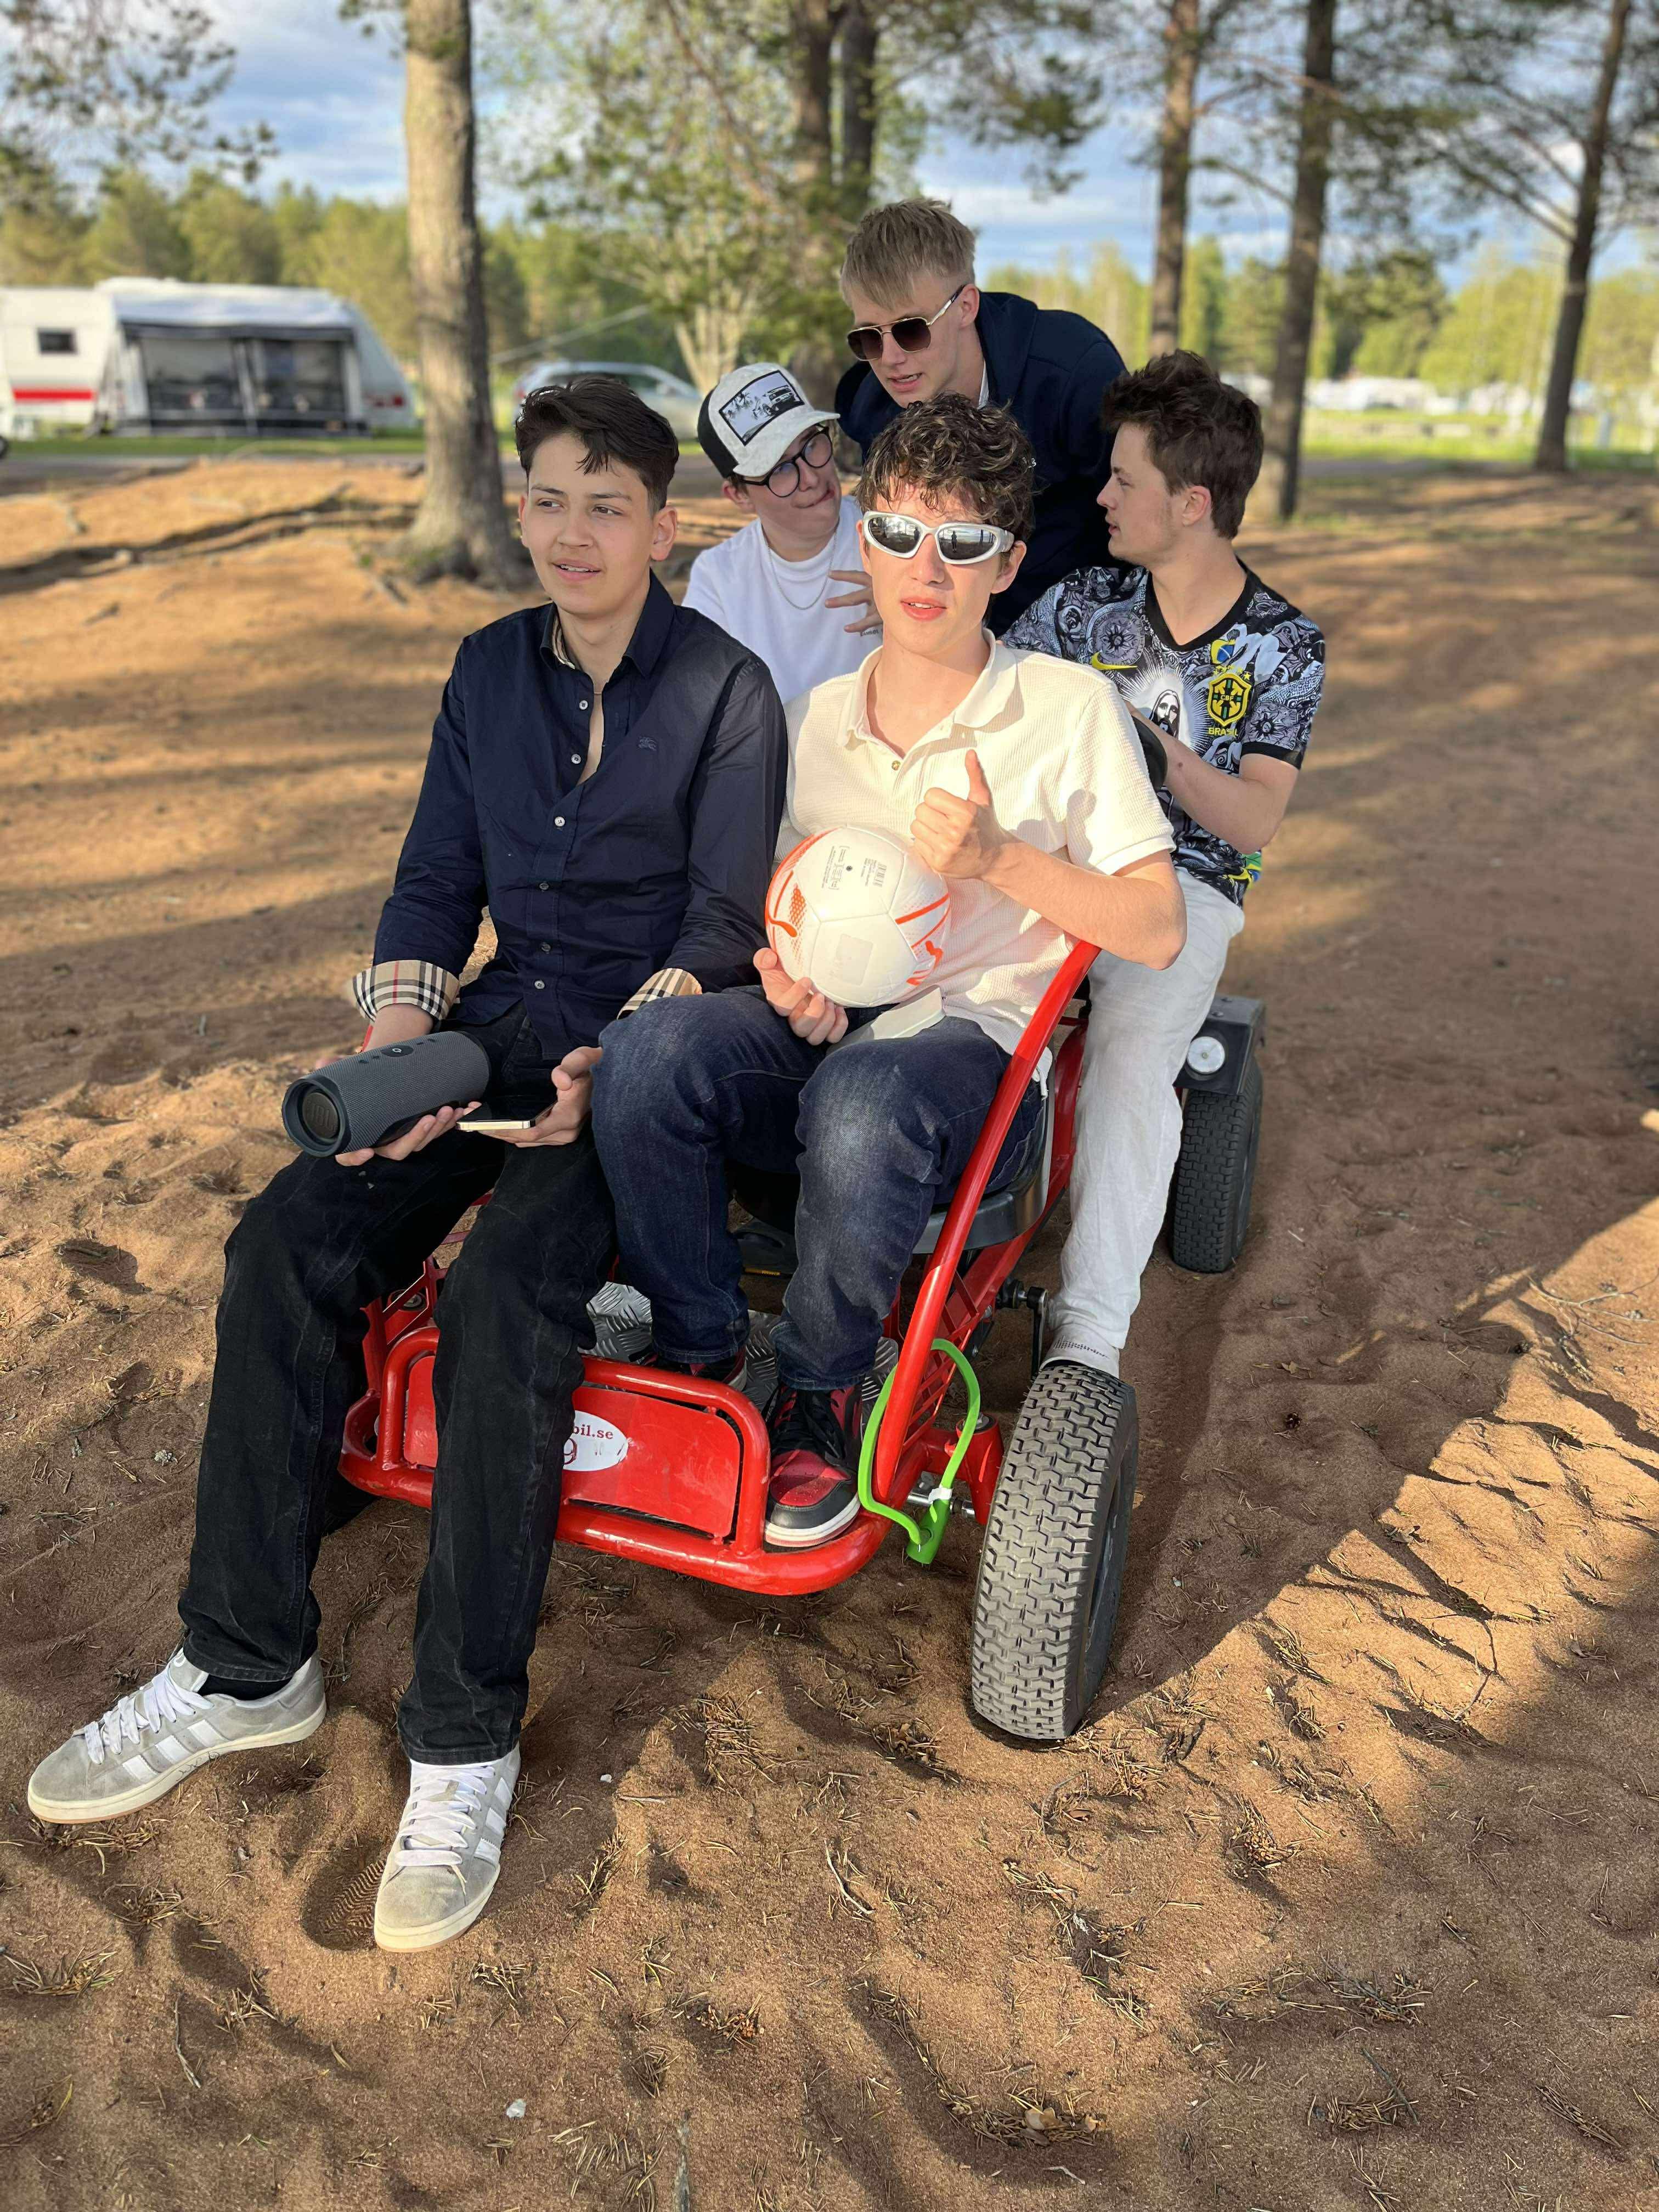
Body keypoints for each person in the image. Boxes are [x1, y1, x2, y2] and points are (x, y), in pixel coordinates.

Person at [26, 376, 786, 1952]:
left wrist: (605, 1070)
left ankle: (462, 1744)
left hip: (638, 1058)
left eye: (607, 504)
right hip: (495, 1022)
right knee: (283, 1240)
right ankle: (245, 1664)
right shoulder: (485, 668)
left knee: (508, 1296)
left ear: (665, 526)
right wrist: (397, 1050)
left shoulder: (729, 690)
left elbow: (724, 927)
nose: (572, 531)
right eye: (549, 498)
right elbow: (436, 884)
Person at [592, 395, 1184, 1550]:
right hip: (824, 1039)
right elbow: (769, 908)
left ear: (1005, 564)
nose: (927, 567)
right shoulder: (810, 721)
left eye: (963, 542)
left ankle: (821, 1393)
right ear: (865, 543)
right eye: (902, 533)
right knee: (646, 1050)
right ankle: (702, 1352)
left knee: (865, 1100)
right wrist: (782, 977)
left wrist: (999, 858)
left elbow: (1157, 927)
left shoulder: (1067, 711)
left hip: (971, 1061)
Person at [1005, 349, 1325, 1378]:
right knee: (959, 1008)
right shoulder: (1077, 604)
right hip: (1056, 857)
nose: (1099, 497)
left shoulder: (1284, 645)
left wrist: (1148, 748)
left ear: (1192, 504)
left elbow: (1253, 821)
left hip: (1185, 884)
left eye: (1122, 480)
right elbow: (993, 705)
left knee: (1133, 1056)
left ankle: (1089, 1337)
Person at [833, 197, 1126, 635]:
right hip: (965, 634)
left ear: (966, 306)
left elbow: (1150, 514)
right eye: (868, 338)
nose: (890, 358)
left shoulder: (1072, 373)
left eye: (911, 329)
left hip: (1098, 627)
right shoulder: (873, 414)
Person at [684, 361, 876, 701]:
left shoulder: (891, 535)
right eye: (781, 469)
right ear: (739, 496)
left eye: (811, 444)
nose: (812, 478)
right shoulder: (719, 578)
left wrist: (912, 613)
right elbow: (700, 701)